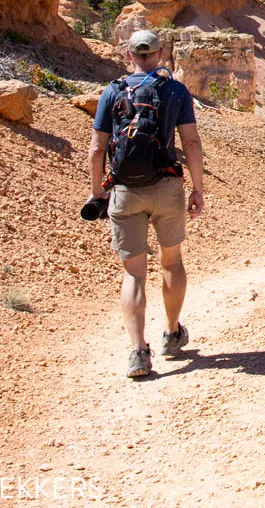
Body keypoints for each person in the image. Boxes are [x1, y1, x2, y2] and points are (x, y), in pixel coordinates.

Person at [87, 29, 206, 378]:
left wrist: (98, 193)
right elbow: (192, 143)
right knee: (171, 261)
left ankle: (138, 352)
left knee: (134, 273)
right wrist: (197, 189)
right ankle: (172, 333)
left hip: (125, 189)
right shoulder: (175, 90)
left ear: (128, 54)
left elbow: (97, 148)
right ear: (160, 53)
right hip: (167, 186)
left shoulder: (112, 91)